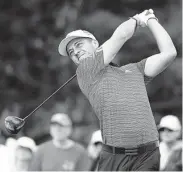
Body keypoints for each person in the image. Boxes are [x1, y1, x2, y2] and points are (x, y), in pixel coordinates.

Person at [58, 8, 177, 171]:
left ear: (94, 44)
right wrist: (137, 19)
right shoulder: (85, 70)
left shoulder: (136, 69)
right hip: (115, 158)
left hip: (148, 156)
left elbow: (169, 53)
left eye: (79, 45)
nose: (76, 52)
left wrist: (151, 19)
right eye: (71, 52)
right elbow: (121, 35)